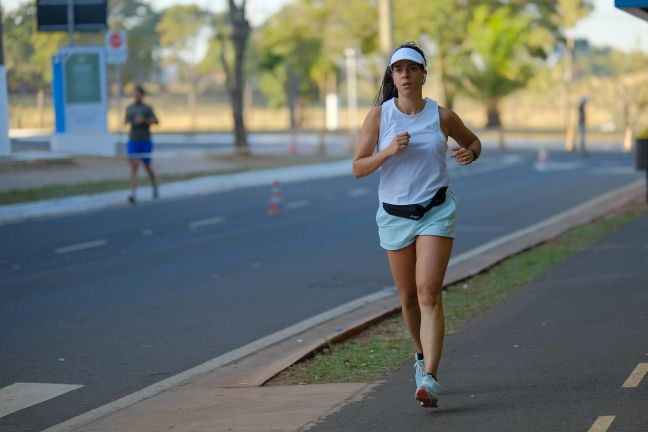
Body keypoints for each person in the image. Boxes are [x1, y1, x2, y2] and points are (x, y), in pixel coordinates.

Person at [352, 42, 481, 408]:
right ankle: (420, 356)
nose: (405, 76)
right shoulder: (379, 117)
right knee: (408, 297)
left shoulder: (441, 116)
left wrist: (469, 153)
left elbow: (473, 141)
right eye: (398, 70)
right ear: (392, 77)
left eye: (412, 69)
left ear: (424, 74)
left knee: (428, 292)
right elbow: (358, 167)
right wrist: (388, 151)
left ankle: (430, 377)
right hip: (394, 215)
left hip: (435, 211)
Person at [125, 85, 159, 204]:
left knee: (147, 166)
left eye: (138, 93)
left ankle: (154, 185)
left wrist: (144, 120)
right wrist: (133, 120)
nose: (136, 95)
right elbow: (126, 121)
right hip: (133, 140)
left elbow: (156, 121)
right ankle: (133, 194)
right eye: (135, 93)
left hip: (145, 140)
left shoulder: (147, 108)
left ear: (142, 95)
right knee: (134, 166)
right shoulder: (130, 108)